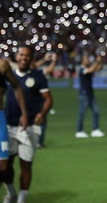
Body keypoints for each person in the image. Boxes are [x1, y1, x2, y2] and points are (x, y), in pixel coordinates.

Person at [2, 46, 53, 203]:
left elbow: (48, 99)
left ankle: (21, 199)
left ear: (32, 59)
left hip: (29, 127)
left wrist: (42, 114)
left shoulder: (38, 77)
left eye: (27, 56)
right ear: (16, 57)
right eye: (21, 55)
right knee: (5, 166)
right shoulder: (6, 75)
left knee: (26, 164)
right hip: (8, 126)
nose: (24, 58)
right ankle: (11, 193)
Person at [0, 57, 28, 203]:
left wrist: (24, 112)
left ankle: (11, 194)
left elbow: (16, 86)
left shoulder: (2, 65)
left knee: (3, 167)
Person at [75, 54, 105, 138]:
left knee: (96, 112)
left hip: (90, 94)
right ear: (82, 62)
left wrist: (101, 61)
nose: (88, 60)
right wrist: (97, 61)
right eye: (86, 59)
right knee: (82, 113)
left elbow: (98, 68)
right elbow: (91, 70)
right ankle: (79, 131)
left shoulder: (86, 69)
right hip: (84, 95)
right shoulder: (81, 70)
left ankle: (95, 130)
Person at [30, 52, 56, 148]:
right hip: (35, 100)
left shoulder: (38, 73)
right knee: (40, 120)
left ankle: (37, 141)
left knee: (40, 120)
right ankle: (37, 141)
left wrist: (48, 60)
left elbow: (49, 69)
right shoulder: (35, 73)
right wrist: (50, 60)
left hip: (38, 100)